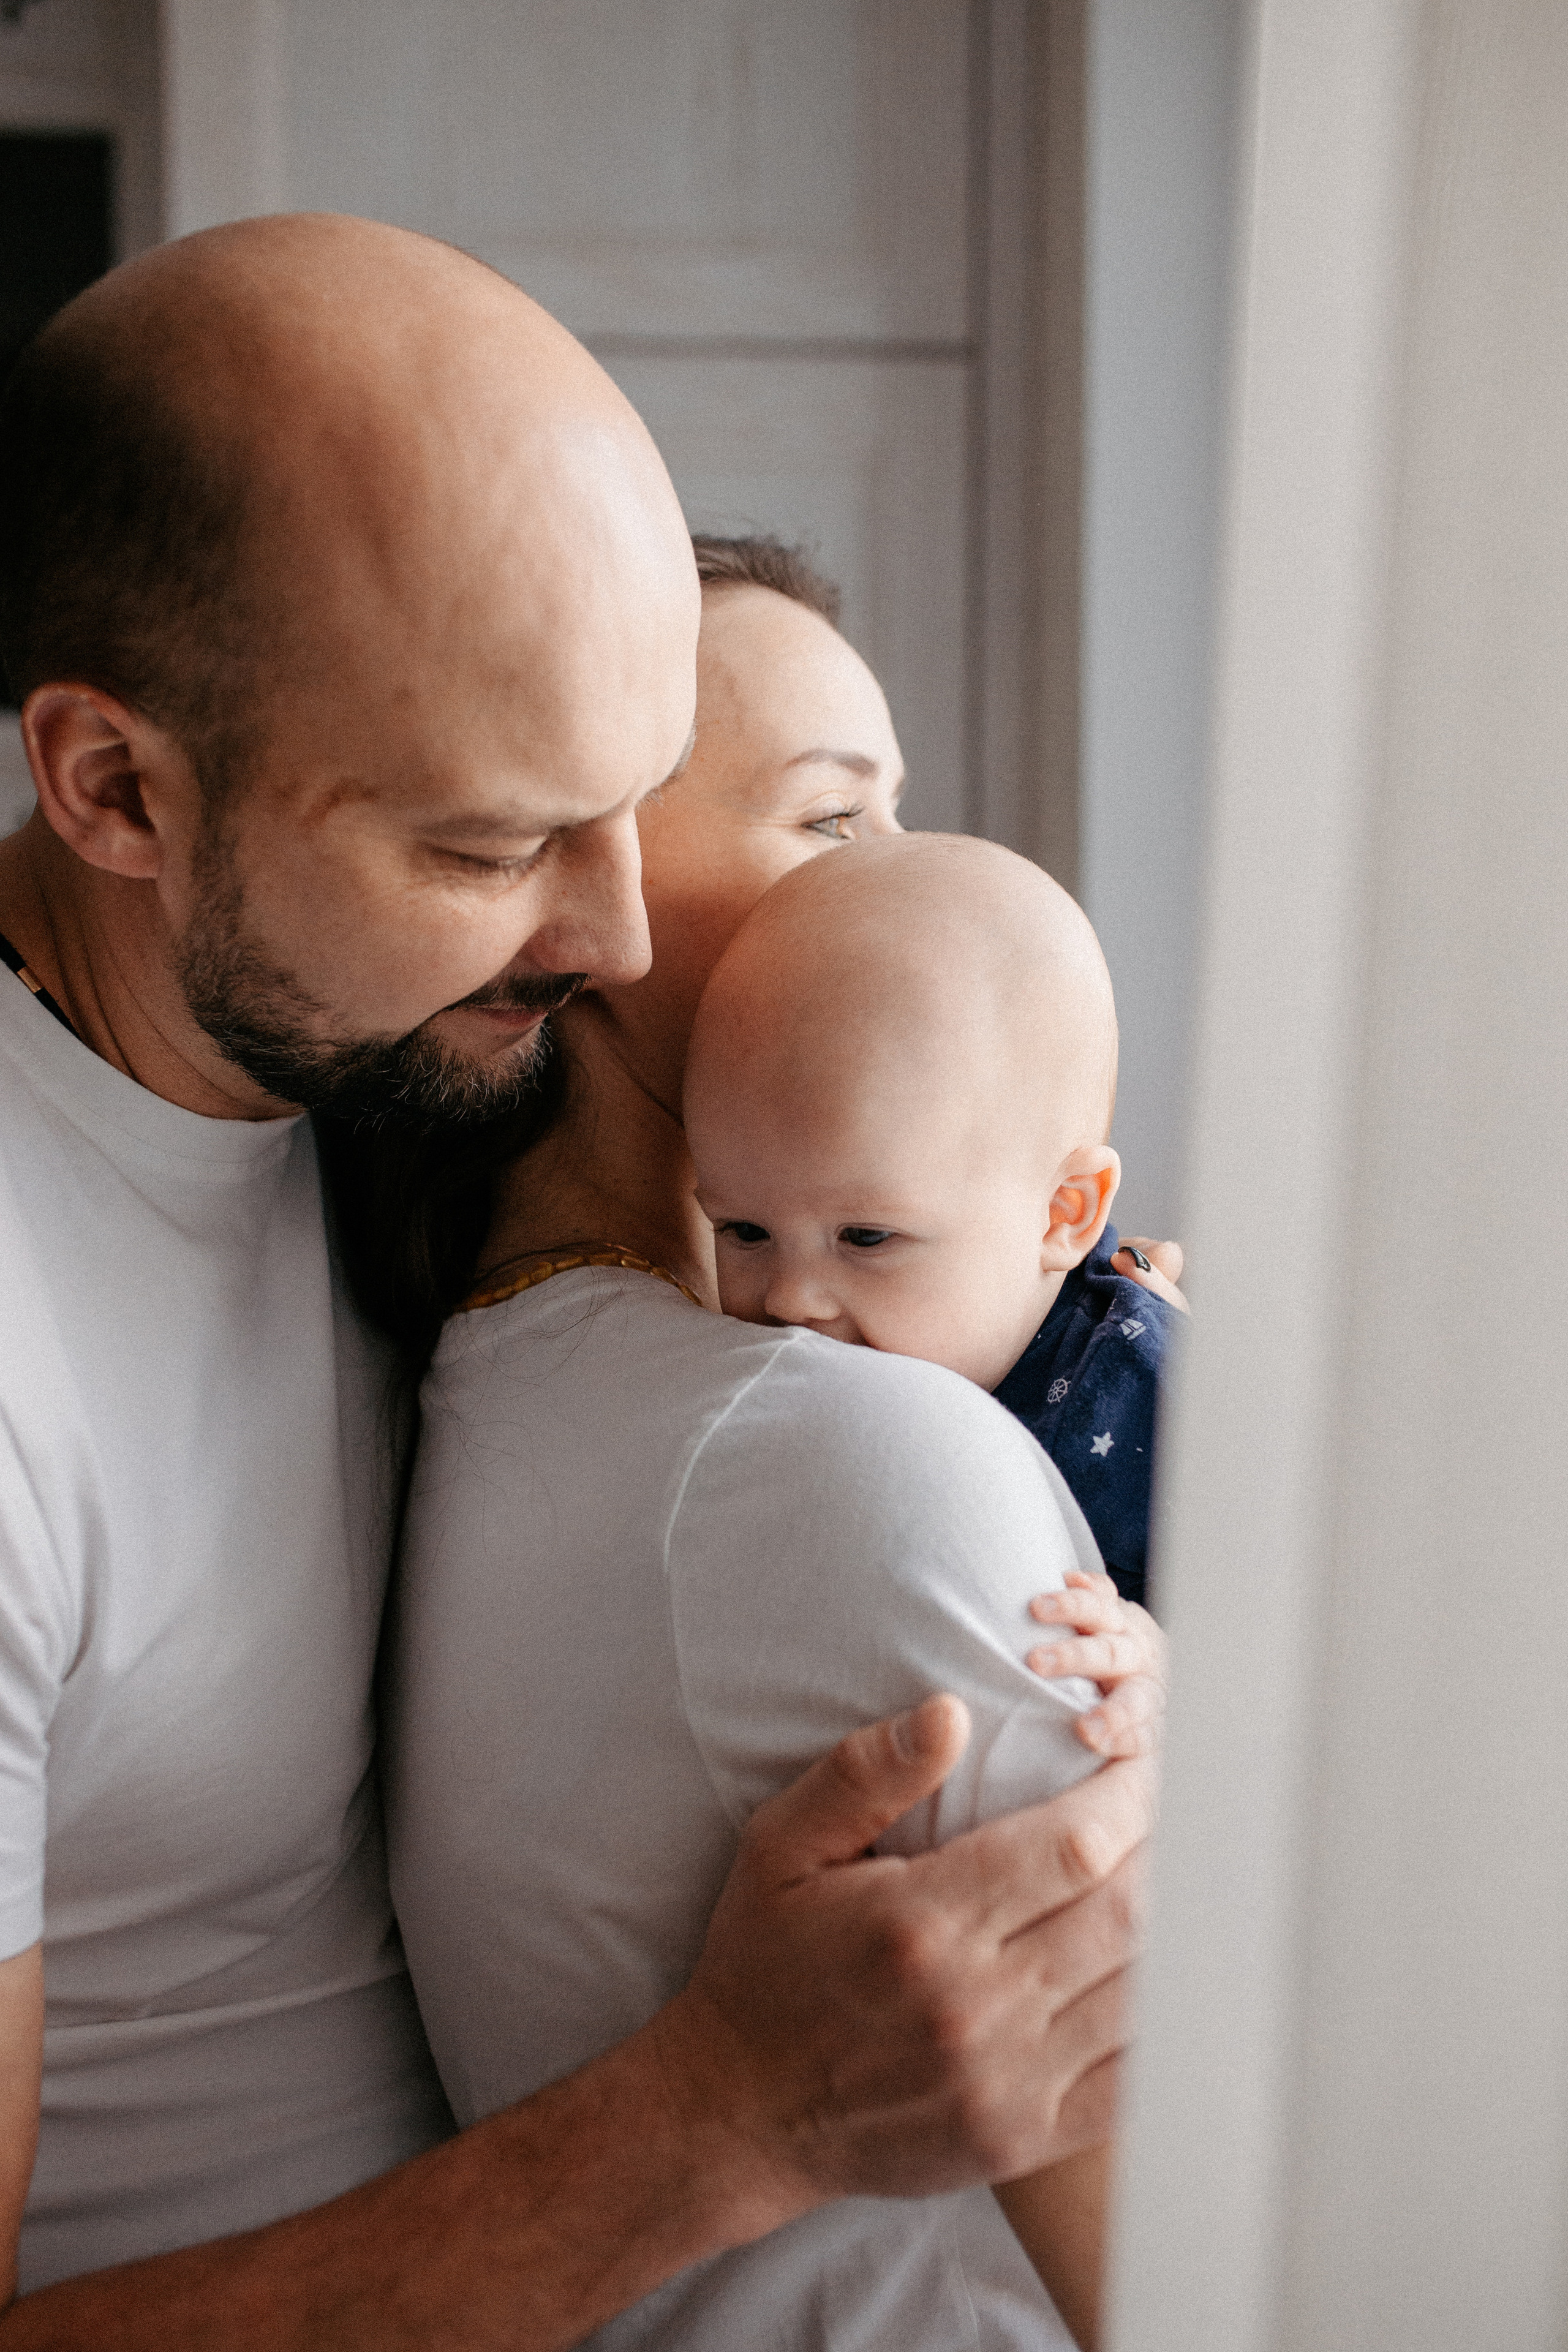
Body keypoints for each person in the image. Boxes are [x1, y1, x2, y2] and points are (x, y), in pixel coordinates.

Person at [0, 217, 1154, 2343]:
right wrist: (716, 2120)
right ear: (112, 789)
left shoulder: (363, 1090)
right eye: (490, 843)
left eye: (633, 801)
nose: (615, 937)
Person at [383, 550, 1177, 2350]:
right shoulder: (850, 1456)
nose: (905, 875)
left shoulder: (501, 1396)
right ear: (578, 895)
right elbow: (1217, 2267)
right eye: (836, 816)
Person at [684, 829, 1178, 1610]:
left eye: (866, 1237)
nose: (787, 1300)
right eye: (744, 1231)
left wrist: (1161, 1667)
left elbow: (1305, 1647)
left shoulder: (1141, 1402)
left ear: (1063, 1213)